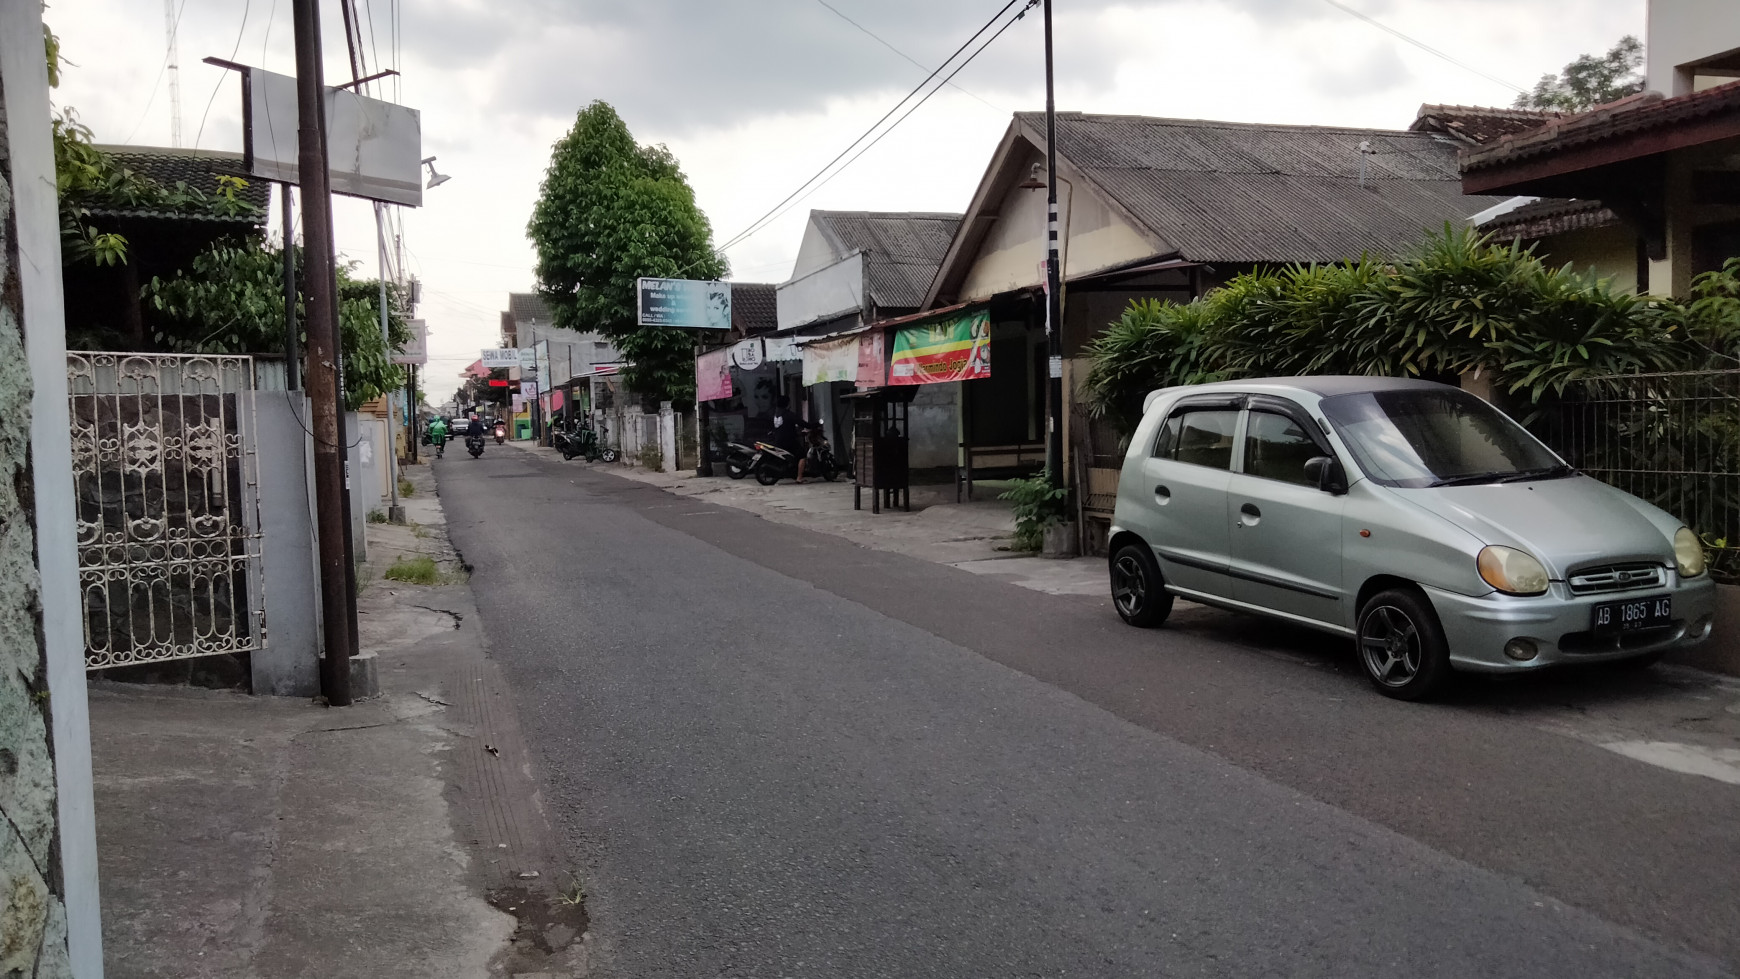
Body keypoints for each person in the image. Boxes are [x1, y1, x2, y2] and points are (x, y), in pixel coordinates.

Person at [769, 395, 810, 483]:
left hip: (778, 441)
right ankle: (799, 478)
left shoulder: (776, 414)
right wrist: (816, 424)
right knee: (802, 455)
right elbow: (802, 423)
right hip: (788, 441)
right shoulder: (788, 414)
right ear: (787, 404)